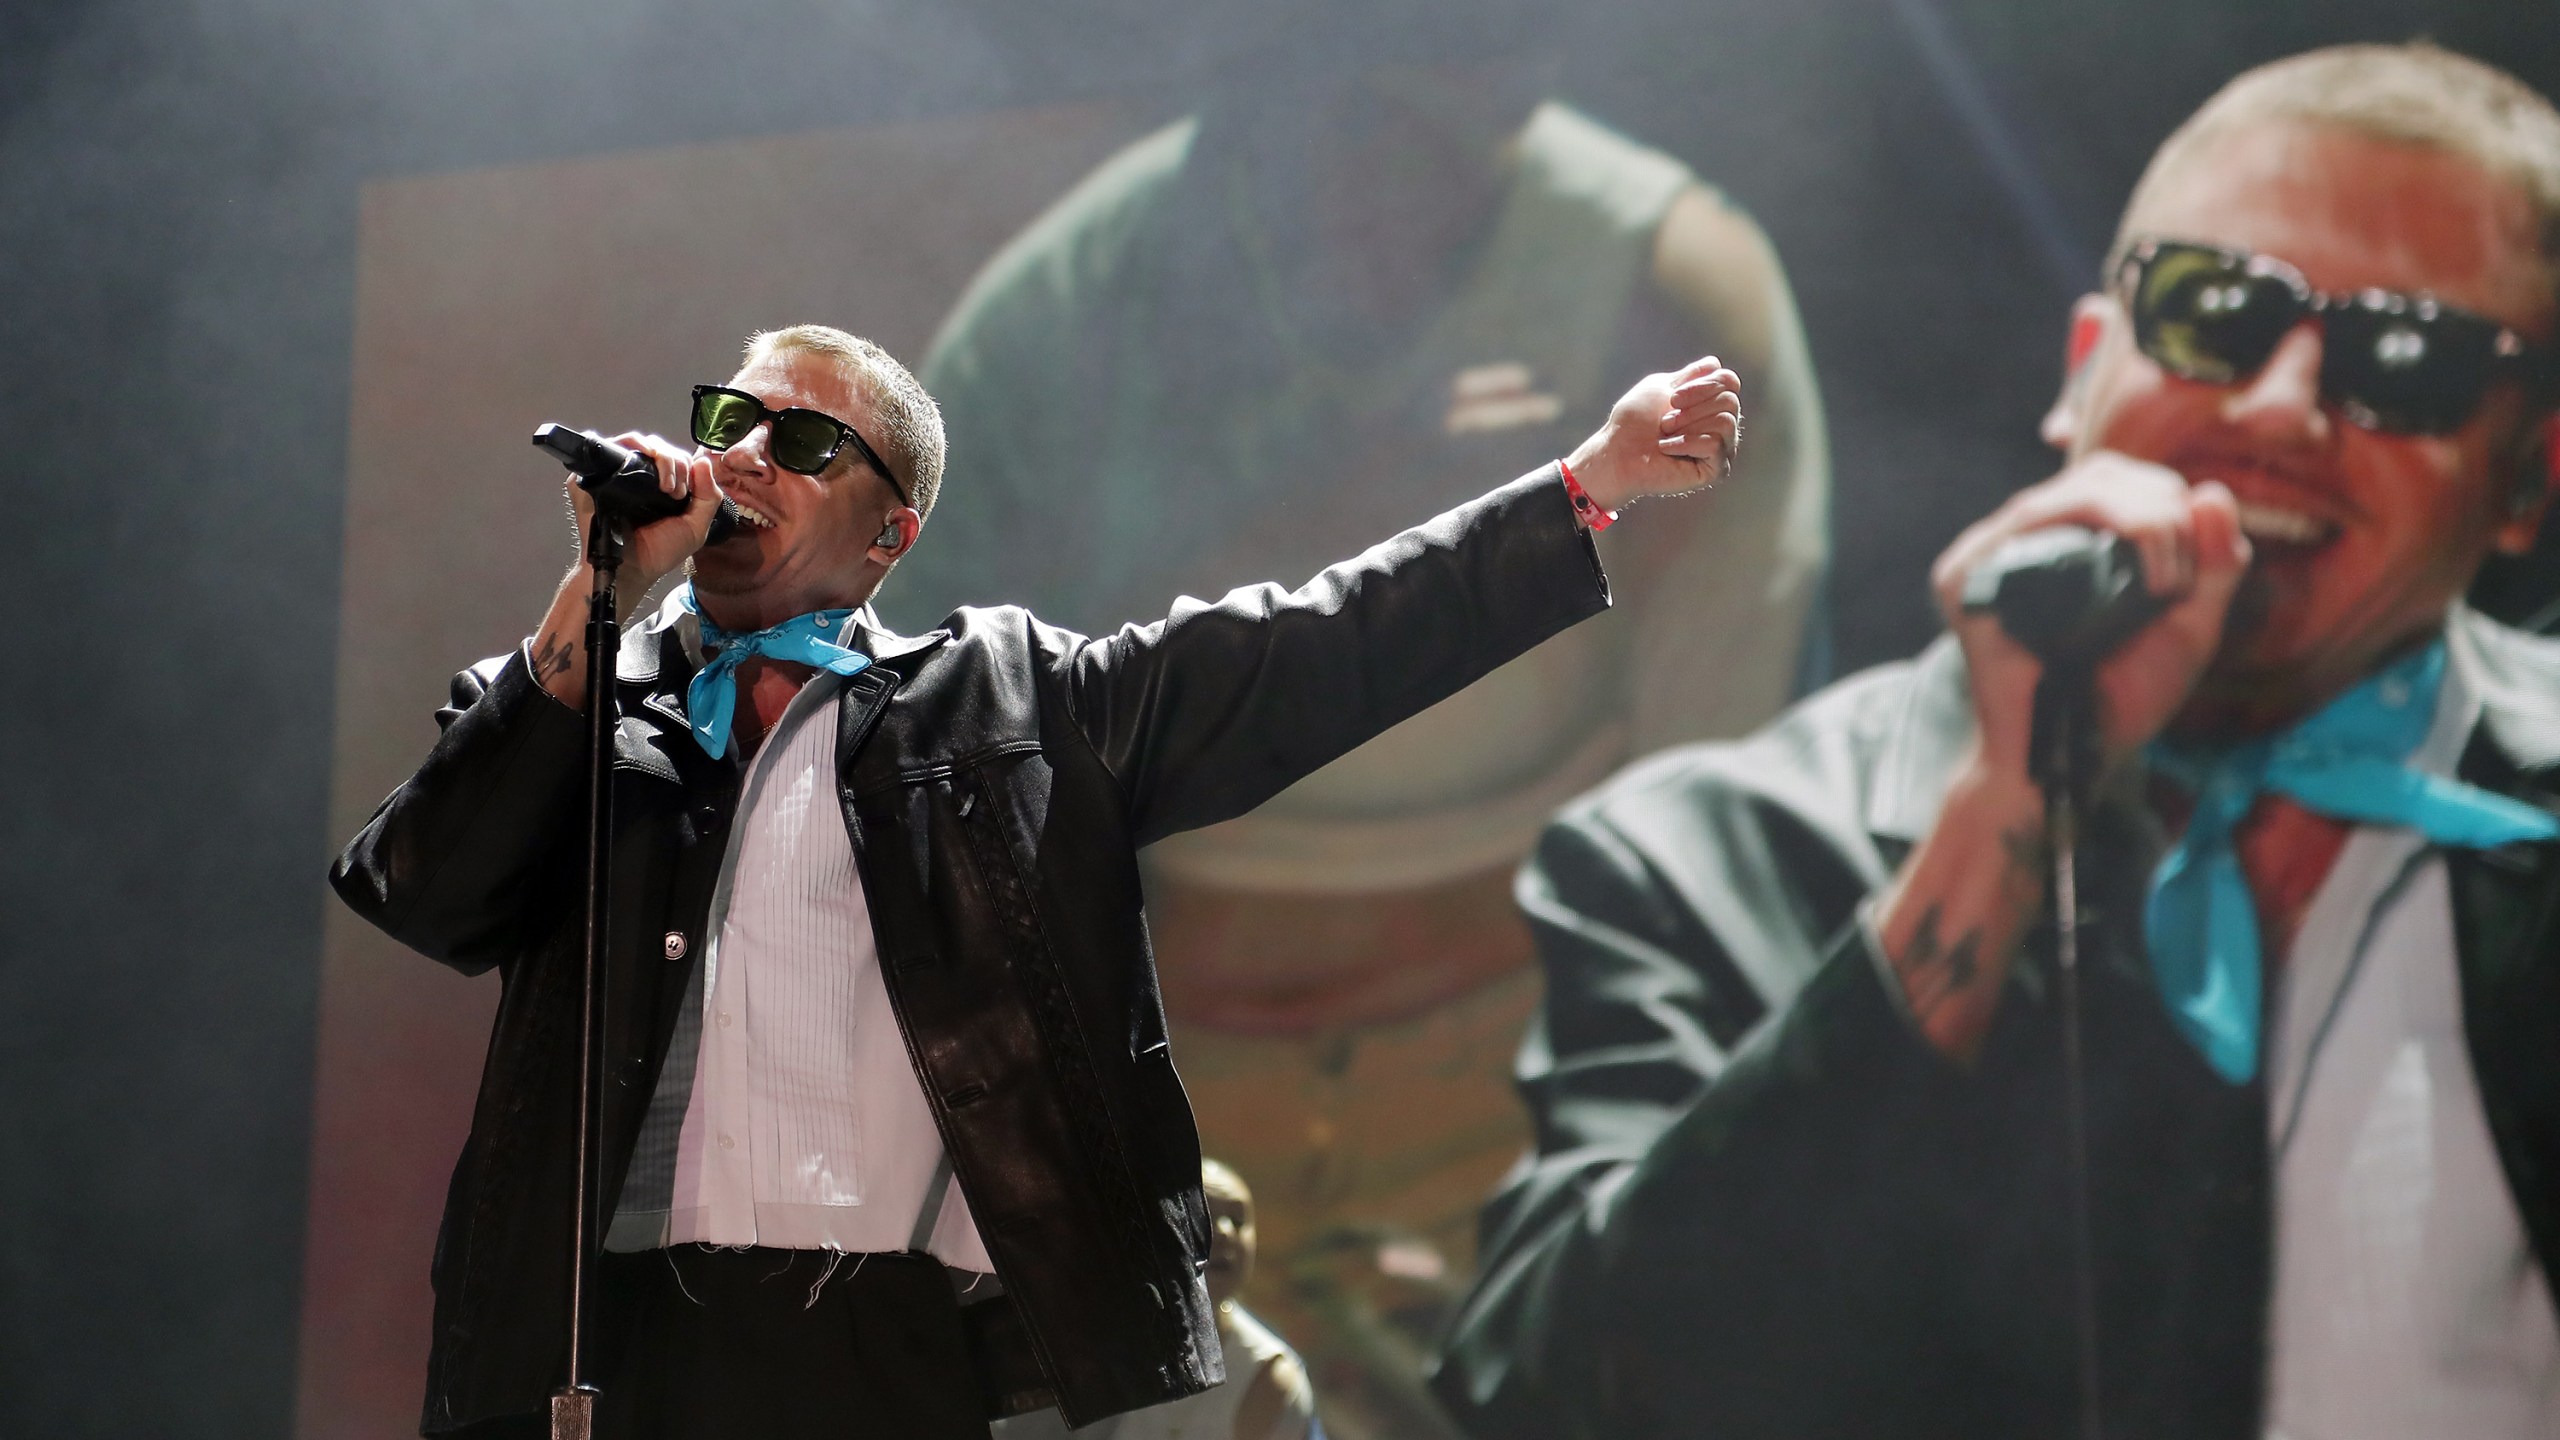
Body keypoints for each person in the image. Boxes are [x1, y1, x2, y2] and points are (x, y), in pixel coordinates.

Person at [330, 322, 1741, 1439]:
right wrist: (599, 595)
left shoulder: (1017, 706)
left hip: (877, 1345)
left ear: (890, 535)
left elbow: (1321, 646)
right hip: (605, 1341)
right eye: (727, 420)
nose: (746, 454)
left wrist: (1586, 488)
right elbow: (425, 888)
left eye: (806, 438)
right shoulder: (585, 705)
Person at [1433, 42, 2560, 1440]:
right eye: (2213, 313)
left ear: (2527, 476)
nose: (2280, 408)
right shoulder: (1702, 857)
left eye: (2411, 359)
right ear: (2086, 366)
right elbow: (1569, 1403)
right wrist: (2003, 817)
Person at [899, 63, 1827, 1420]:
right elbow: (912, 747)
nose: (1373, 187)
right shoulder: (1074, 308)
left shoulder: (1664, 293)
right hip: (1163, 1093)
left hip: (1517, 1089)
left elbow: (1720, 807)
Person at [999, 1160, 1320, 1440]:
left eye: (1238, 1221)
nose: (1224, 1233)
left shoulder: (1271, 1377)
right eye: (1206, 1212)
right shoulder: (1090, 1336)